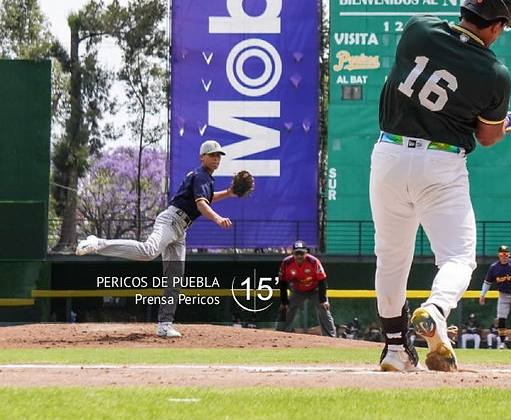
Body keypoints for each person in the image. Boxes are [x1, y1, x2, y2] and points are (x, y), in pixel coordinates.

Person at [370, 0, 511, 373]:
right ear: (495, 25)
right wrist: (505, 123)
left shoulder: (418, 27)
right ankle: (436, 310)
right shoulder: (495, 73)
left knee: (391, 258)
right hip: (440, 164)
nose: (501, 34)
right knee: (457, 256)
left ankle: (395, 351)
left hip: (388, 154)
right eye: (503, 26)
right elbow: (488, 137)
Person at [75, 139, 239, 338]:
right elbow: (202, 204)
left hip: (180, 230)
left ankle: (164, 325)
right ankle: (98, 243)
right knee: (149, 251)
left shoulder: (204, 178)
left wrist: (229, 193)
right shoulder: (201, 175)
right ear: (201, 157)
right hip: (171, 221)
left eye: (218, 156)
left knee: (174, 279)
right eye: (212, 155)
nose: (216, 159)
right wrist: (218, 218)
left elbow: (206, 197)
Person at [275, 240, 337, 337]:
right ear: (292, 253)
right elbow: (282, 282)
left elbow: (322, 280)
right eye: (297, 253)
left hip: (315, 289)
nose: (299, 256)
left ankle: (330, 336)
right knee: (286, 309)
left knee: (324, 309)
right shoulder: (286, 263)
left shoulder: (313, 262)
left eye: (302, 253)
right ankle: (279, 334)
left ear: (306, 253)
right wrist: (284, 302)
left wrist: (323, 300)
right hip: (297, 290)